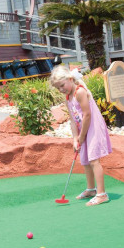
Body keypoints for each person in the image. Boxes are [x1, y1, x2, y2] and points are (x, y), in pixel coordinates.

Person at [50, 65, 112, 206]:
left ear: (70, 79)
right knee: (85, 159)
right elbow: (72, 119)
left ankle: (102, 194)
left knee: (94, 159)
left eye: (62, 85)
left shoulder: (80, 92)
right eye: (58, 88)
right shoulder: (68, 97)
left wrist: (82, 135)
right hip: (83, 128)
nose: (61, 89)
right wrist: (75, 138)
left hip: (92, 127)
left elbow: (87, 115)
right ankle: (91, 189)